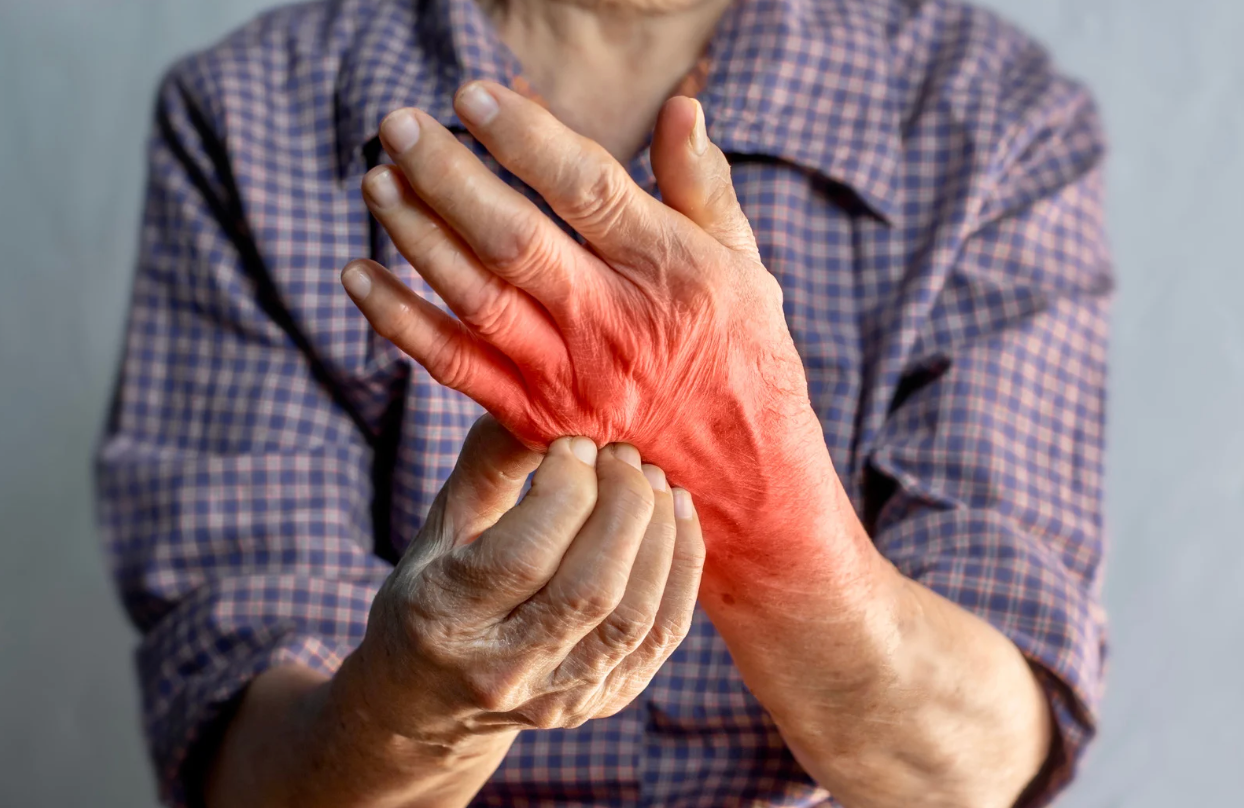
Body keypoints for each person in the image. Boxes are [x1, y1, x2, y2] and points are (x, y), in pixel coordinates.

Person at [95, 0, 1112, 805]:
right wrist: (414, 703)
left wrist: (756, 487)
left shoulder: (993, 115)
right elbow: (247, 770)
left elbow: (975, 768)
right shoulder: (248, 113)